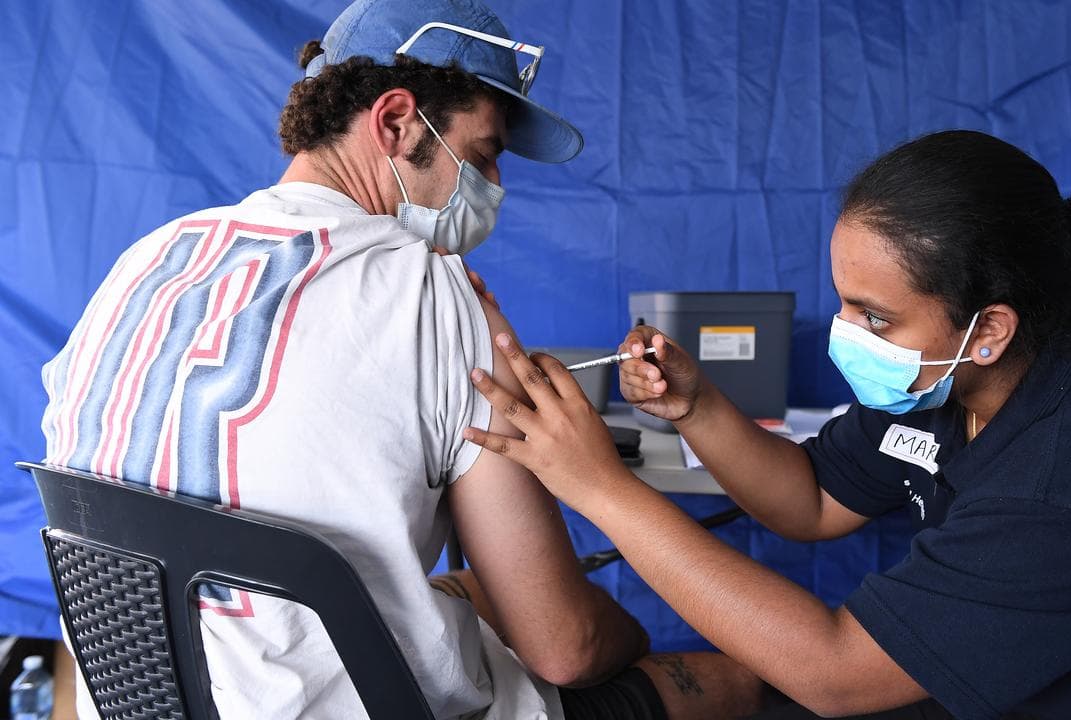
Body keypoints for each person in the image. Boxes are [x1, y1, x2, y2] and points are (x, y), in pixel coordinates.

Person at [40, 0, 767, 717]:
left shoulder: (154, 258)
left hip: (141, 696)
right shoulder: (430, 290)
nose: (495, 187)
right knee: (732, 681)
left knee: (470, 594)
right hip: (356, 704)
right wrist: (632, 638)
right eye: (482, 156)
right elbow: (567, 646)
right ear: (395, 122)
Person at [461, 130, 1071, 719]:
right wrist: (697, 407)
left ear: (988, 329)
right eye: (845, 302)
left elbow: (836, 674)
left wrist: (601, 488)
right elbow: (813, 498)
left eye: (875, 317)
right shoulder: (944, 382)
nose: (847, 334)